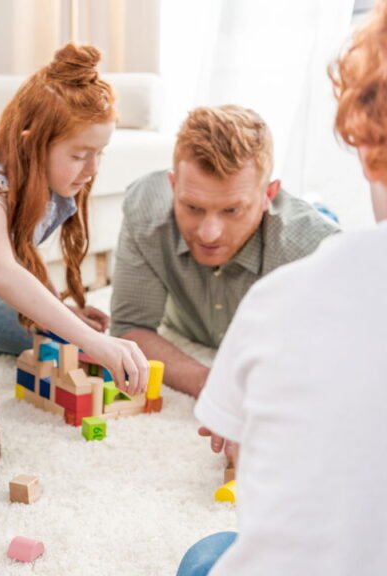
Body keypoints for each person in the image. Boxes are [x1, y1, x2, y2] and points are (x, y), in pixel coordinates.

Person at [177, 4, 387, 574]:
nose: (208, 230)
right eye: (193, 207)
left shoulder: (282, 299)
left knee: (206, 555)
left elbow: (261, 495)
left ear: (366, 143)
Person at [0, 44, 150, 395]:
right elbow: (0, 271)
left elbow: (21, 261)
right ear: (31, 144)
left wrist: (66, 317)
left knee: (59, 340)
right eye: (79, 155)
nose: (92, 170)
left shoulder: (43, 185)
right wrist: (94, 341)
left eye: (99, 155)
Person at [110, 105, 339, 398]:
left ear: (268, 195)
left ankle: (317, 203)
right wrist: (211, 385)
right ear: (173, 185)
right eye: (193, 207)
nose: (209, 233)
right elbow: (129, 328)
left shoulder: (316, 248)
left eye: (231, 210)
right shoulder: (144, 209)